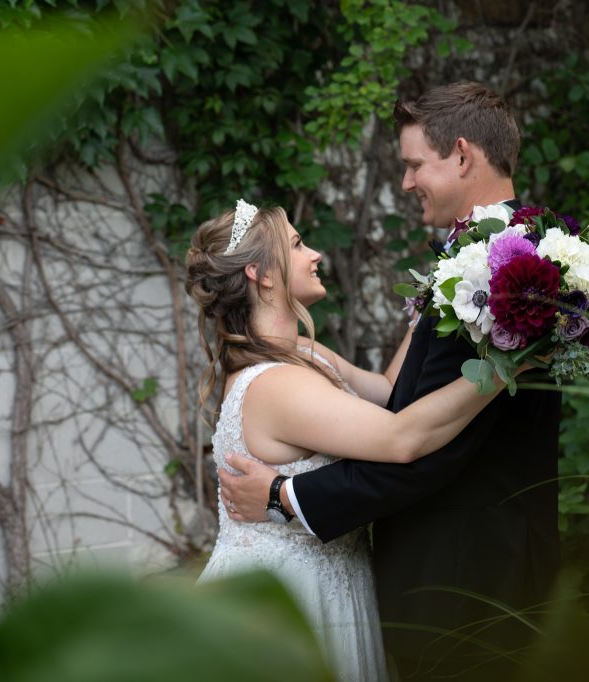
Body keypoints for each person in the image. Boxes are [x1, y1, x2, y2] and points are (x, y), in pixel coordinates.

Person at [220, 82, 562, 679]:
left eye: (412, 166)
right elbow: (404, 399)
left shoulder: (506, 271)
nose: (405, 183)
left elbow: (425, 446)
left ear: (461, 155)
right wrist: (329, 362)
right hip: (456, 574)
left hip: (468, 577)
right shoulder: (484, 259)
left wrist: (285, 497)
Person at [186, 199, 514, 682]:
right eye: (298, 245)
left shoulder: (300, 351)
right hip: (287, 599)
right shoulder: (277, 384)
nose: (316, 253)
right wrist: (508, 365)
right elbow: (402, 437)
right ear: (263, 275)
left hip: (331, 581)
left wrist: (437, 300)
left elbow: (383, 393)